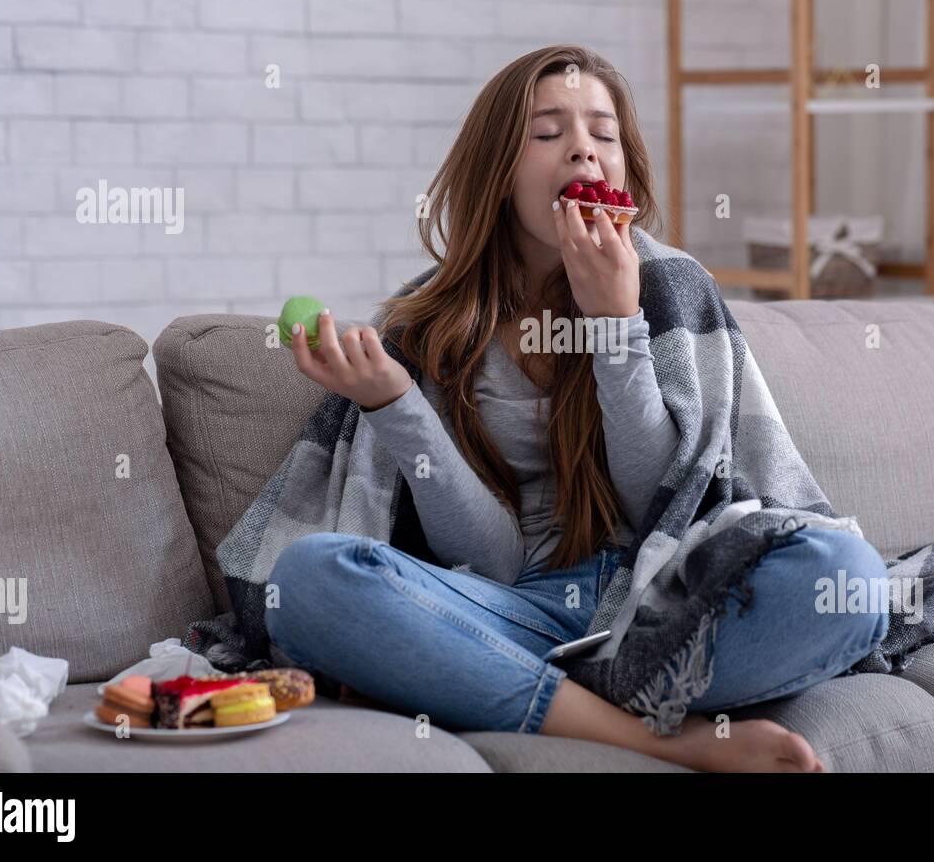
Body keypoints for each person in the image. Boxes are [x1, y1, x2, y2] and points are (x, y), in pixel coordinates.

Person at [264, 45, 888, 773]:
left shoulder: (672, 289)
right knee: (307, 578)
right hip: (510, 610)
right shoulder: (429, 325)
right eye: (548, 132)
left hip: (666, 600)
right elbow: (492, 562)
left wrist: (614, 325)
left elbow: (666, 505)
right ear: (497, 169)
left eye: (603, 133)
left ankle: (493, 685)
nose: (583, 149)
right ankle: (654, 735)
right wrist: (394, 403)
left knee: (845, 576)